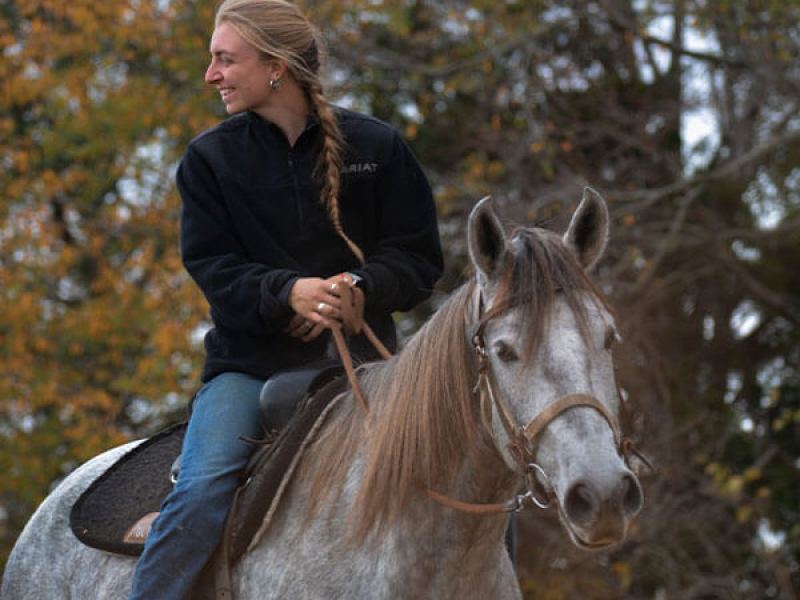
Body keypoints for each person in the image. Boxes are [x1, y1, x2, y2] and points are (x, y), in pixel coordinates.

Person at [128, 0, 443, 597]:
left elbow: (420, 257)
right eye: (212, 60)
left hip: (370, 373)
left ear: (276, 67)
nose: (211, 74)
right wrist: (287, 293)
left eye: (225, 59)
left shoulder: (378, 146)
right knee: (199, 492)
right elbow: (213, 269)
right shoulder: (209, 160)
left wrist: (360, 288)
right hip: (246, 369)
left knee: (466, 476)